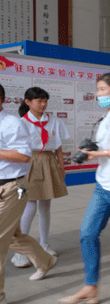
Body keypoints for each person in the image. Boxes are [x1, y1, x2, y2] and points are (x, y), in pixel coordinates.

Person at [59, 72, 110, 304]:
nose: (99, 95)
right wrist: (92, 152)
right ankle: (90, 287)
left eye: (103, 90)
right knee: (87, 234)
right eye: (97, 90)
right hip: (104, 186)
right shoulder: (108, 117)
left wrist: (100, 153)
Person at [0, 83, 58, 304]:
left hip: (11, 188)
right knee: (12, 236)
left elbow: (24, 156)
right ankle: (45, 261)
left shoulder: (11, 123)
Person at [12, 87, 69, 268]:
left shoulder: (54, 121)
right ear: (28, 102)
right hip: (29, 162)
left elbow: (58, 146)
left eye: (45, 101)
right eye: (39, 101)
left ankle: (44, 244)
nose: (43, 104)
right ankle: (20, 252)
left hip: (48, 160)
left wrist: (61, 165)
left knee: (46, 205)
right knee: (29, 205)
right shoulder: (21, 123)